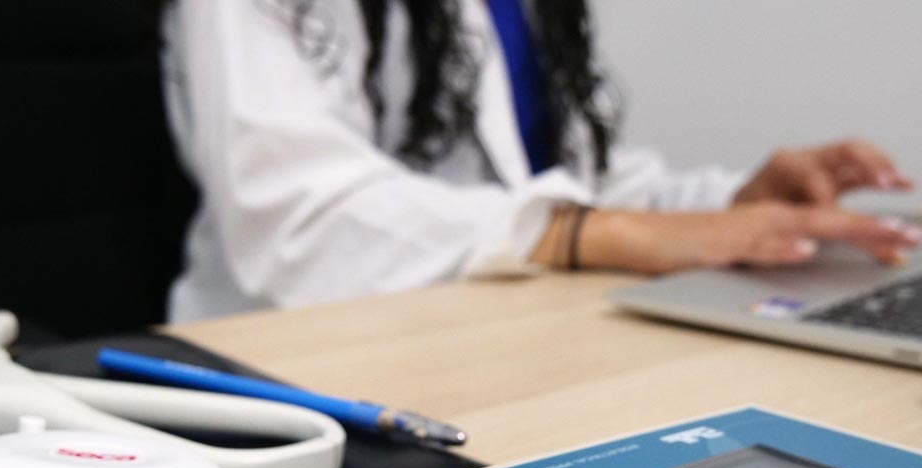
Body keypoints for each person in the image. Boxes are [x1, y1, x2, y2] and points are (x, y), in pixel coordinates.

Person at [159, 0, 919, 323]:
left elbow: (579, 184)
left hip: (508, 335)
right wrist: (587, 232)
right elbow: (303, 220)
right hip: (293, 363)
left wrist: (739, 209)